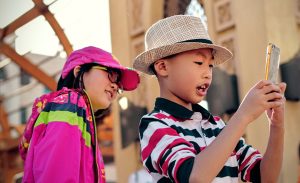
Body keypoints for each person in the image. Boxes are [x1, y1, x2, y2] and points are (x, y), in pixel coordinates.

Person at [133, 15, 286, 183]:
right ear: (162, 67)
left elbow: (266, 178)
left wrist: (276, 125)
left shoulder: (218, 127)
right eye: (199, 62)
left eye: (210, 65)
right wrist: (243, 116)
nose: (207, 73)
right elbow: (195, 177)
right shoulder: (154, 124)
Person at [19, 46, 140, 183]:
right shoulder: (70, 103)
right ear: (78, 71)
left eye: (119, 84)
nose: (115, 86)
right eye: (111, 74)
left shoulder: (77, 112)